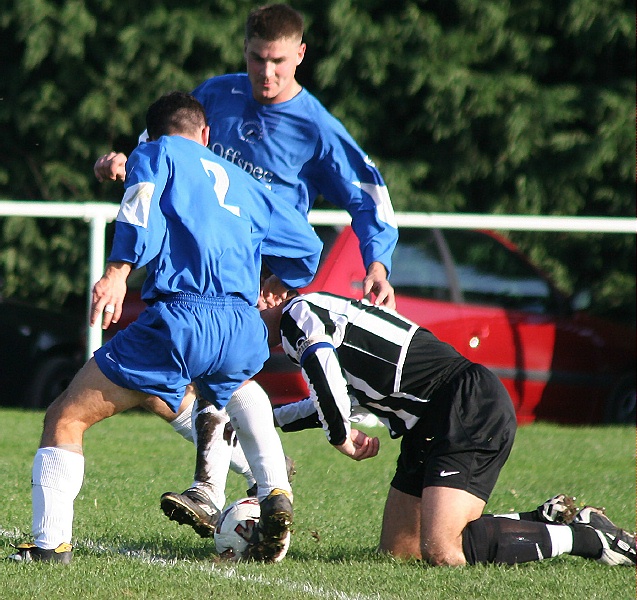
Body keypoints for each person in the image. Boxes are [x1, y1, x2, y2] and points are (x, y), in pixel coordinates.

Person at [93, 3, 399, 538]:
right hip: (195, 257)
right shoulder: (218, 93)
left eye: (279, 61)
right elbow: (167, 142)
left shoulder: (316, 128)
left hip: (259, 275)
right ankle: (263, 481)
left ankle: (242, 483)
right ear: (245, 51)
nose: (267, 72)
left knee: (208, 374)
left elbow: (369, 192)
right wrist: (126, 159)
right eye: (258, 59)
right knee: (206, 377)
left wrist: (377, 258)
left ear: (300, 55)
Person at [8, 91, 323, 564]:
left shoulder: (155, 153)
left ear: (153, 135)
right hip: (242, 328)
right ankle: (266, 477)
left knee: (66, 417)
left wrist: (117, 271)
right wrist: (281, 281)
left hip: (184, 318)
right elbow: (307, 246)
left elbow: (141, 208)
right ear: (206, 135)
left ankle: (50, 548)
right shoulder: (245, 181)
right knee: (208, 394)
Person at [258, 291, 636, 567]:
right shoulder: (313, 317)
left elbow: (323, 369)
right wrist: (262, 419)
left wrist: (339, 435)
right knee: (400, 551)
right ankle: (544, 520)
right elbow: (335, 396)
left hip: (466, 402)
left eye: (243, 307)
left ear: (269, 294)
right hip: (430, 419)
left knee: (445, 550)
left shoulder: (298, 313)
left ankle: (588, 538)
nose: (238, 322)